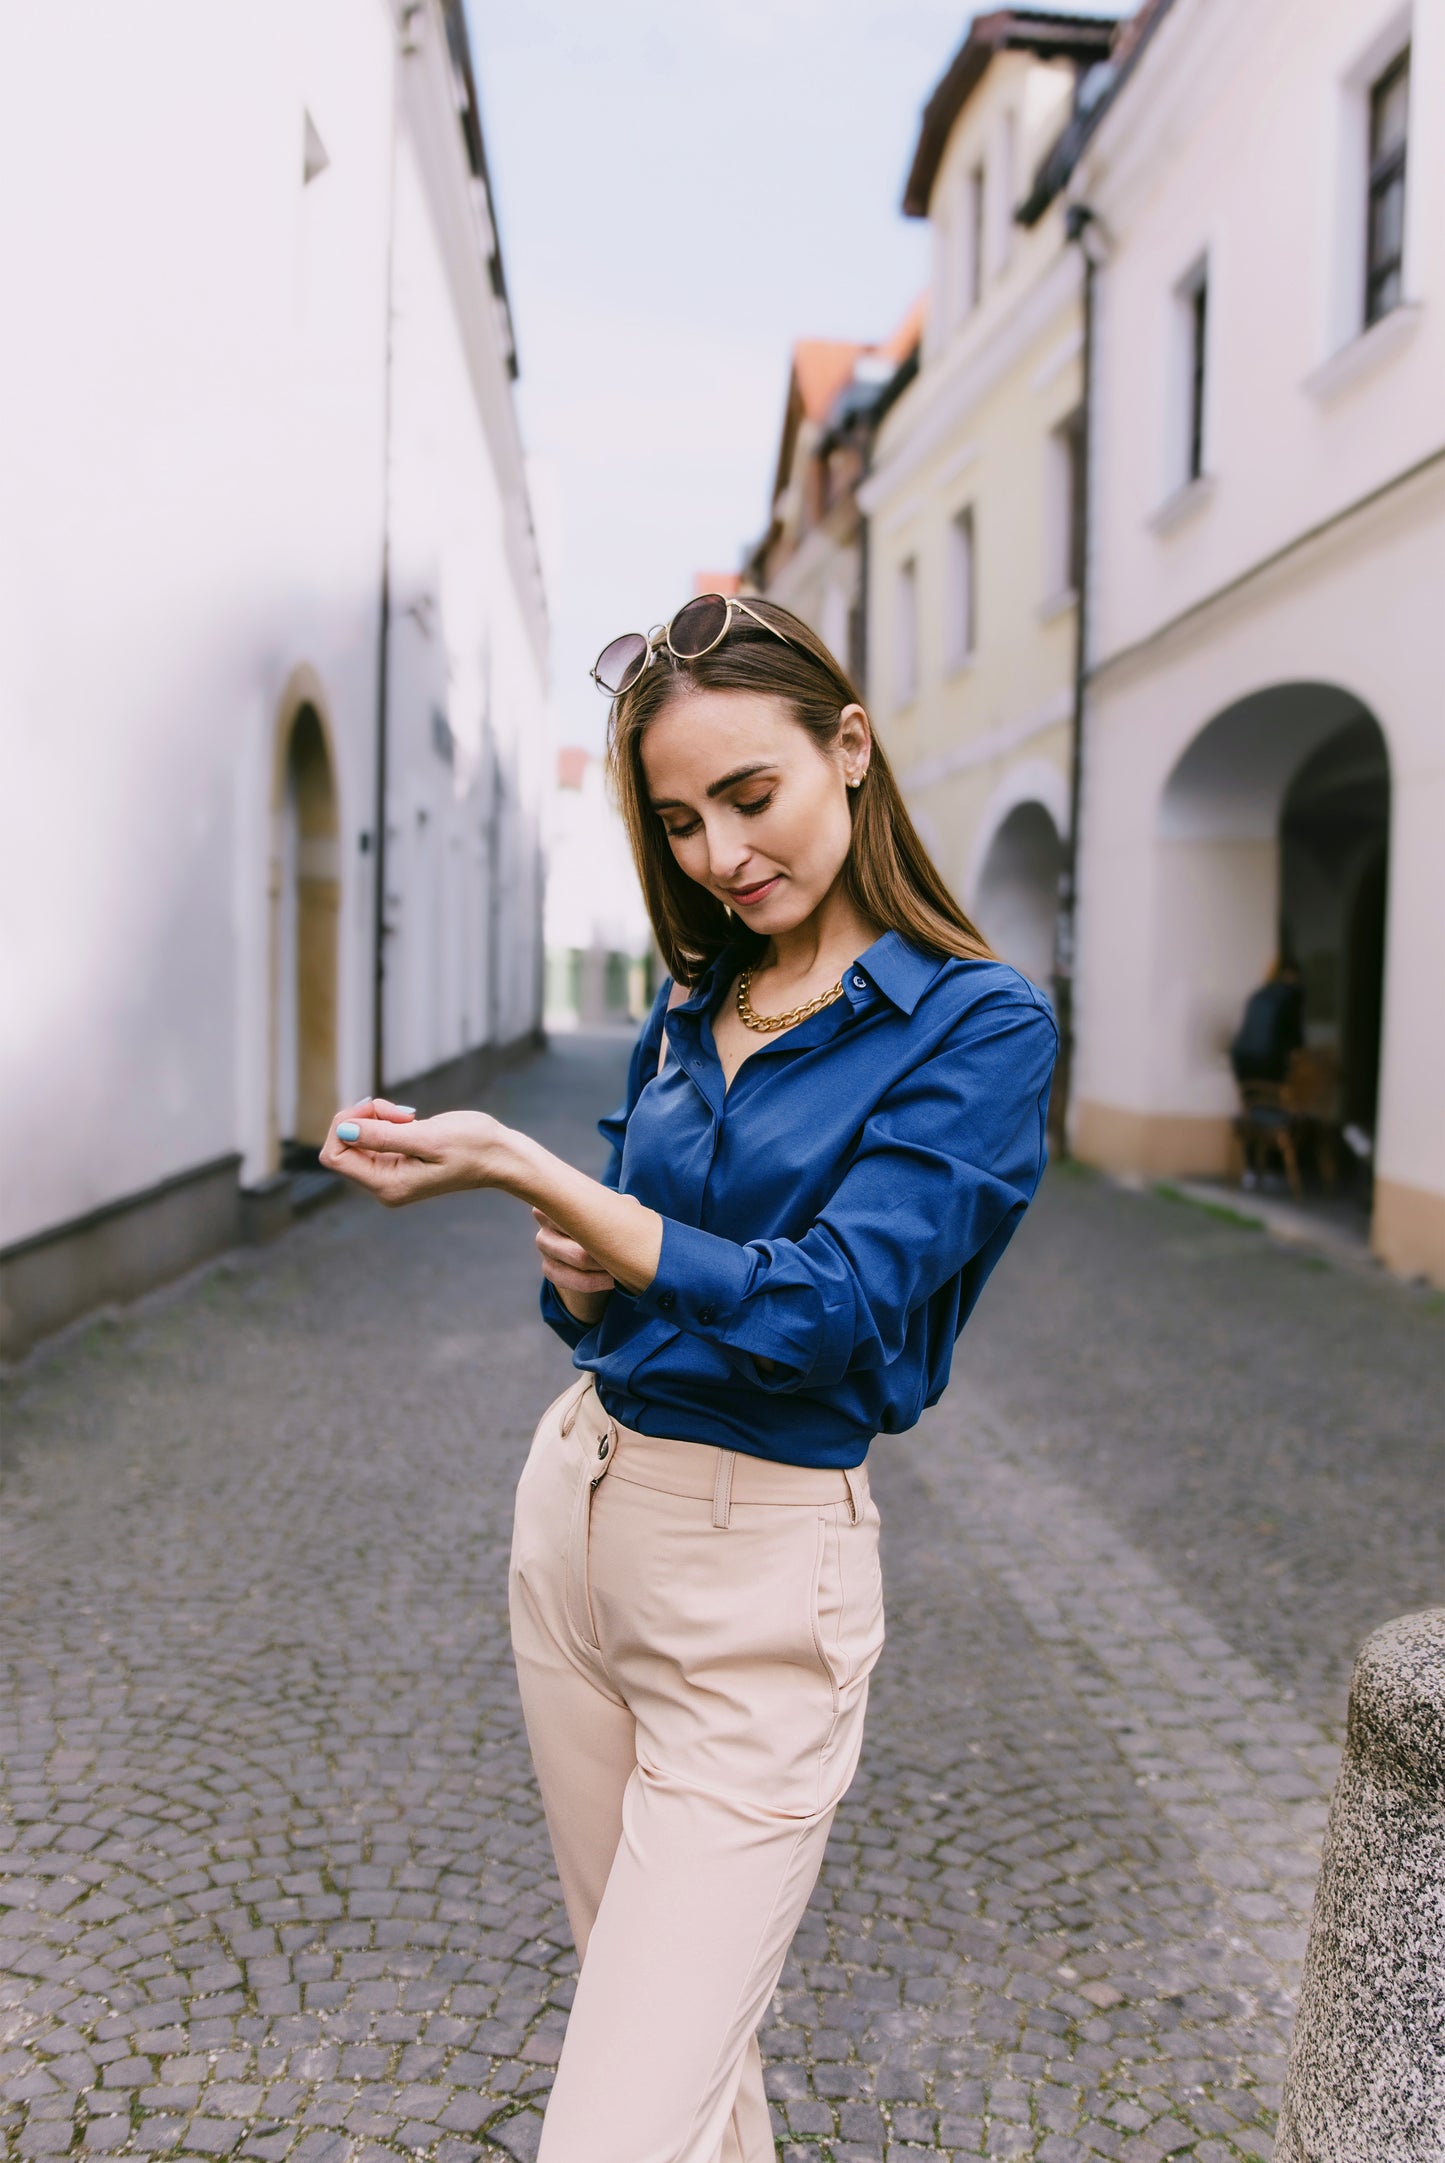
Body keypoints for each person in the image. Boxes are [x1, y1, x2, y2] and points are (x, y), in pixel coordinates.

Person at [320, 594, 1057, 2161]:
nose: (721, 853)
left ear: (847, 748)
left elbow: (831, 1310)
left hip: (756, 1577)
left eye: (748, 796)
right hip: (575, 1522)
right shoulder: (694, 999)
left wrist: (539, 1175)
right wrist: (569, 1268)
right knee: (678, 2071)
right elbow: (610, 1296)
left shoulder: (976, 1024)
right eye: (678, 820)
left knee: (614, 2127)